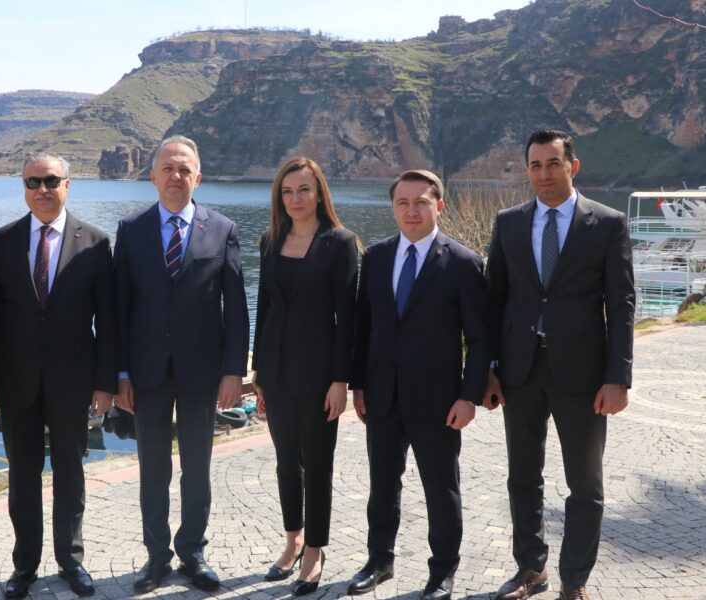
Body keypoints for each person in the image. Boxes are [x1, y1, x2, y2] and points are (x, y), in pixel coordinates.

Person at [484, 129, 635, 600]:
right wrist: (488, 368)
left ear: (573, 166)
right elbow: (493, 300)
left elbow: (622, 304)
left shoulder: (607, 223)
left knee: (585, 483)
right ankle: (531, 569)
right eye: (535, 165)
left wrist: (617, 377)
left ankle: (575, 579)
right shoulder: (509, 223)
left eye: (553, 163)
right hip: (519, 371)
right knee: (522, 477)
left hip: (584, 375)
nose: (544, 174)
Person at [0, 153, 116, 598]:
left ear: (67, 185)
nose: (42, 189)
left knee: (71, 474)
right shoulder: (2, 240)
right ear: (24, 187)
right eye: (33, 182)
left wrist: (105, 383)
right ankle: (25, 565)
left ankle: (71, 561)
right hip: (15, 382)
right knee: (23, 476)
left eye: (51, 180)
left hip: (73, 382)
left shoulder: (96, 242)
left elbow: (108, 321)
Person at [112, 135, 249, 594]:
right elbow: (120, 309)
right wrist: (121, 374)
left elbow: (236, 309)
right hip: (146, 372)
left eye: (184, 169)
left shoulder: (223, 229)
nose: (175, 176)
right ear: (152, 176)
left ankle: (193, 552)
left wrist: (233, 372)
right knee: (153, 467)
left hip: (202, 372)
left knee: (197, 466)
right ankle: (156, 557)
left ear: (198, 177)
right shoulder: (131, 229)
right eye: (167, 168)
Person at [349, 170, 489, 600]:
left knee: (441, 488)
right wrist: (359, 385)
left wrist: (469, 397)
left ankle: (442, 570)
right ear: (393, 207)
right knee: (382, 485)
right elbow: (363, 326)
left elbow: (480, 339)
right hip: (382, 395)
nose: (411, 211)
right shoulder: (375, 256)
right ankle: (379, 560)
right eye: (402, 203)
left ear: (439, 206)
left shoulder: (463, 262)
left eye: (421, 202)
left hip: (439, 401)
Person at [251, 157, 359, 596]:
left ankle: (314, 550)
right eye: (287, 191)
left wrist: (340, 380)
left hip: (319, 374)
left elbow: (347, 319)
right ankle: (293, 540)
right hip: (276, 369)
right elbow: (265, 307)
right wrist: (258, 370)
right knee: (284, 460)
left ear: (319, 194)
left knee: (316, 462)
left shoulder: (340, 243)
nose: (295, 199)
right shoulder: (270, 239)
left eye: (304, 190)